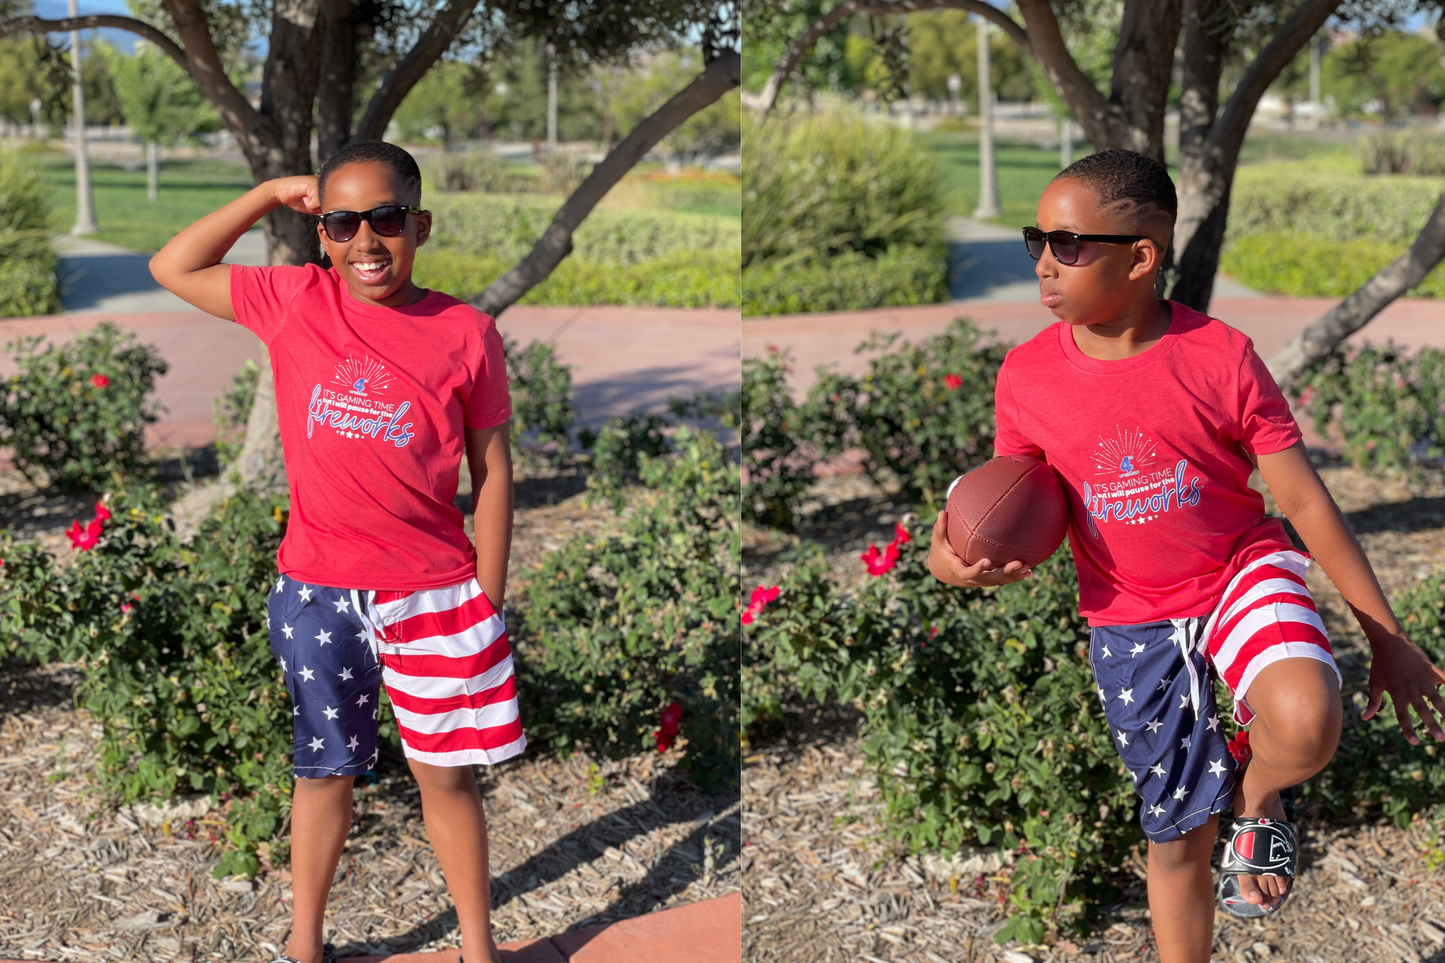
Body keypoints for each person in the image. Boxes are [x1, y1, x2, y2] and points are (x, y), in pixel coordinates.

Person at [926, 149, 1445, 962]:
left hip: (1240, 568)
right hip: (1131, 615)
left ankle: (1261, 794)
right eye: (1036, 239)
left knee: (1307, 722)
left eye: (1068, 244)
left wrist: (1386, 635)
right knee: (1178, 840)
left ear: (1141, 255)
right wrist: (949, 557)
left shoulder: (1218, 356)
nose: (1041, 263)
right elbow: (1012, 501)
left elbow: (1305, 501)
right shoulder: (1026, 375)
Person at [150, 141, 521, 963]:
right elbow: (173, 264)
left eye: (386, 219)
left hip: (434, 595)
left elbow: (491, 470)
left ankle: (476, 949)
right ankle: (306, 945)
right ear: (321, 234)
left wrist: (485, 598)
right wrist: (263, 195)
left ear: (419, 224)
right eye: (343, 222)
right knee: (323, 773)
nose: (366, 241)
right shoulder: (294, 300)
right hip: (319, 592)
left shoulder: (466, 332)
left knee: (447, 779)